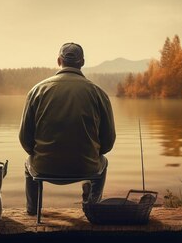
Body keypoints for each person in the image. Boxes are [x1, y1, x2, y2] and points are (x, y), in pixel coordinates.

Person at [19, 42, 116, 215]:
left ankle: (33, 211)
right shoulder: (98, 93)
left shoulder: (37, 90)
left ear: (58, 61)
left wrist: (38, 153)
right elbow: (108, 143)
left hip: (44, 168)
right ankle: (93, 207)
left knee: (28, 163)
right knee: (103, 162)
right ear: (82, 62)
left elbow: (25, 139)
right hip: (86, 168)